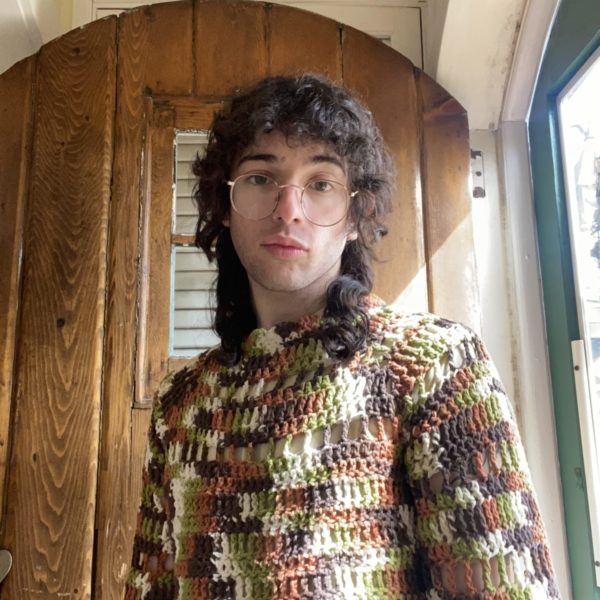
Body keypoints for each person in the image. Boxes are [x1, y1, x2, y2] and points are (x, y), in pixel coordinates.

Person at [125, 74, 560, 599]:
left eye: (321, 183)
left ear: (357, 215)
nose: (289, 209)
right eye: (260, 177)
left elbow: (506, 585)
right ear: (225, 204)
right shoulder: (180, 403)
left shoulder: (433, 366)